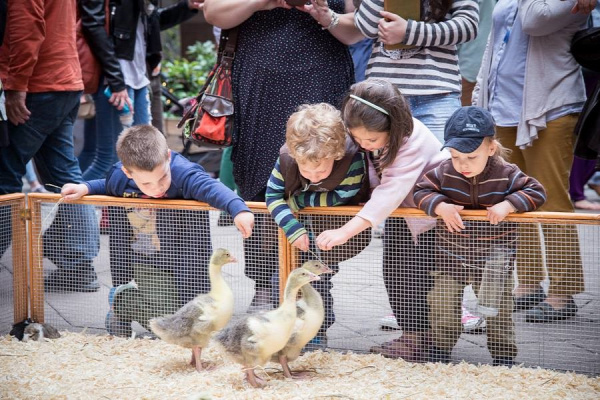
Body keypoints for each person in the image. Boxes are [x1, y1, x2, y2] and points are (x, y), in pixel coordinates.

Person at [204, 0, 355, 310]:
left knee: (322, 179)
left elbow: (355, 30)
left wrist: (327, 15)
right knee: (260, 183)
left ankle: (315, 292)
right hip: (261, 83)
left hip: (323, 76)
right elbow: (213, 11)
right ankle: (264, 287)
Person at [61, 124, 254, 336]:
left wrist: (238, 210)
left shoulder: (184, 173)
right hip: (147, 259)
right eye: (146, 183)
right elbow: (106, 185)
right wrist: (85, 187)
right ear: (128, 172)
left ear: (168, 157)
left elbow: (211, 187)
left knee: (195, 308)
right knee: (169, 319)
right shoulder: (120, 176)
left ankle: (166, 322)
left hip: (188, 255)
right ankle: (124, 302)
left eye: (162, 178)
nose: (157, 188)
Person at [314, 79, 448, 361]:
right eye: (357, 137)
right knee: (396, 272)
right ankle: (411, 335)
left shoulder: (414, 140)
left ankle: (424, 339)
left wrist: (345, 232)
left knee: (417, 276)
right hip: (402, 214)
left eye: (371, 140)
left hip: (429, 218)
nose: (363, 144)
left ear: (394, 125)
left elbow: (390, 191)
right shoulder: (374, 138)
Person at [473, 0, 587, 322]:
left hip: (550, 107)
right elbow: (493, 44)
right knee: (512, 198)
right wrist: (480, 95)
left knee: (550, 200)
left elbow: (536, 20)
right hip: (503, 109)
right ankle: (528, 282)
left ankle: (563, 292)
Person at [414, 106, 546, 366]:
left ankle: (504, 357)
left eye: (471, 157)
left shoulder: (507, 173)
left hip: (494, 260)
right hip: (450, 257)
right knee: (442, 305)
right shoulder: (444, 171)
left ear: (491, 148)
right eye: (455, 155)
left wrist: (509, 204)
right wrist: (440, 205)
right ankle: (440, 351)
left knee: (497, 310)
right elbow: (421, 191)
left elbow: (537, 192)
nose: (462, 164)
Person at [0, 0, 101, 292]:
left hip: (39, 85)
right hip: (63, 81)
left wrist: (16, 86)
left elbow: (26, 28)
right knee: (65, 176)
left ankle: (79, 265)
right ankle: (79, 268)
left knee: (5, 176)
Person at [265, 103, 371, 348]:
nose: (314, 176)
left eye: (321, 169)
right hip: (294, 232)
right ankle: (284, 332)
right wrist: (293, 228)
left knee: (318, 283)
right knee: (280, 280)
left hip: (332, 230)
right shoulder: (285, 159)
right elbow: (272, 197)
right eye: (306, 169)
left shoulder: (352, 159)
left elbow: (345, 194)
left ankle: (315, 335)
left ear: (335, 154)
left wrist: (302, 199)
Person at [302, 0, 479, 142]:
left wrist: (409, 32)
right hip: (383, 96)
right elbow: (366, 26)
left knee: (439, 171)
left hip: (436, 92)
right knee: (382, 174)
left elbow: (468, 25)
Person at [78, 0, 202, 181]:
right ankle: (69, 208)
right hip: (116, 80)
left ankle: (121, 209)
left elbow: (153, 21)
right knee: (108, 160)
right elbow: (93, 25)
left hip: (138, 78)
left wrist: (186, 7)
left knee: (144, 156)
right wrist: (116, 81)